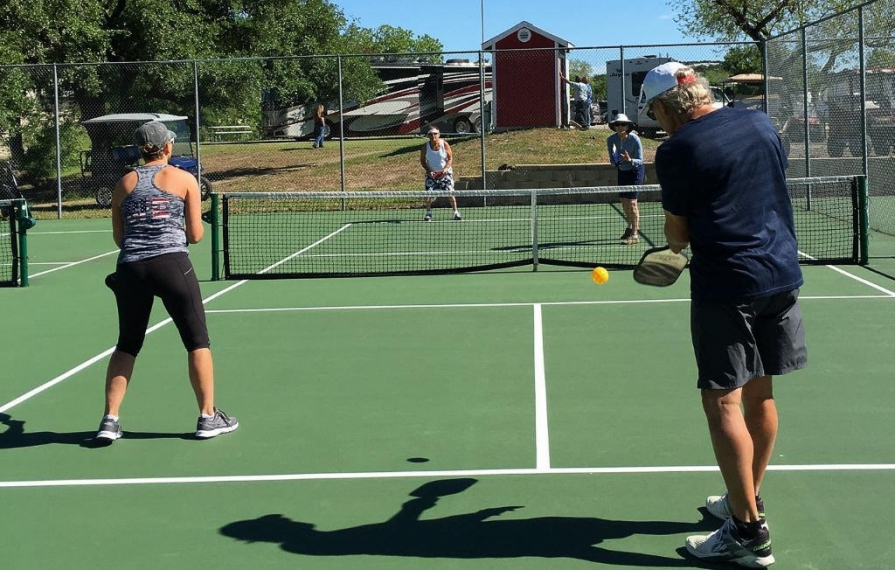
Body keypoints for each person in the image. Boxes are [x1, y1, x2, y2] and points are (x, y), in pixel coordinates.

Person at [643, 61, 806, 568]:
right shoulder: (760, 123)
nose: (655, 123)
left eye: (653, 112)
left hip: (726, 285)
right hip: (781, 274)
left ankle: (749, 534)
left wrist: (667, 252)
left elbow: (678, 236)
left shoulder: (677, 151)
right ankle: (747, 502)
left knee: (724, 405)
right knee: (762, 393)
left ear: (670, 105)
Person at [95, 121, 238, 443]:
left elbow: (120, 238)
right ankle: (207, 417)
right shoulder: (185, 179)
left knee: (128, 343)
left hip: (130, 268)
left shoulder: (123, 183)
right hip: (172, 264)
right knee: (197, 340)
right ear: (168, 147)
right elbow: (197, 236)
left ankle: (109, 420)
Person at [605, 113, 644, 244]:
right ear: (614, 126)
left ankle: (635, 234)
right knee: (623, 200)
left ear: (628, 126)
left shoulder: (635, 139)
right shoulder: (611, 140)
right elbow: (612, 158)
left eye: (623, 124)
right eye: (618, 124)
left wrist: (630, 160)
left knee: (632, 203)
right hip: (622, 171)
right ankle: (629, 226)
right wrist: (614, 162)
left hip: (635, 171)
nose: (620, 126)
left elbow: (640, 160)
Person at [419, 126, 461, 221]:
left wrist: (446, 169)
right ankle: (428, 213)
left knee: (450, 192)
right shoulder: (425, 147)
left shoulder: (444, 144)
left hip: (445, 174)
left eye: (435, 134)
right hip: (431, 175)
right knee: (428, 194)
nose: (433, 136)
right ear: (428, 136)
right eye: (430, 134)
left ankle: (456, 212)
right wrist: (429, 171)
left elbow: (450, 158)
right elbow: (422, 160)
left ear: (439, 135)